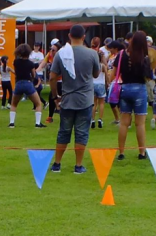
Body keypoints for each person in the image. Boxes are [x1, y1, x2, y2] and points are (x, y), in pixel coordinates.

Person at [49, 24, 100, 174]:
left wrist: (55, 97)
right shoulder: (92, 54)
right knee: (82, 132)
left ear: (69, 36)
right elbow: (96, 75)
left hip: (67, 99)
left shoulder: (61, 54)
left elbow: (52, 77)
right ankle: (78, 165)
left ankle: (57, 164)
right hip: (85, 99)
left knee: (63, 131)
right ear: (84, 37)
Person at [117, 31, 153, 161]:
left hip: (125, 88)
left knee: (124, 123)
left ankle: (121, 152)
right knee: (140, 124)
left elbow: (116, 72)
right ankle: (142, 152)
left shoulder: (122, 54)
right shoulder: (145, 57)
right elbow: (149, 76)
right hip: (139, 89)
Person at [8, 44, 44, 129]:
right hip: (28, 83)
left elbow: (16, 72)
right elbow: (33, 74)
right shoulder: (30, 63)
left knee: (14, 104)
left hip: (18, 83)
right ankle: (37, 123)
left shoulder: (16, 62)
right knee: (38, 103)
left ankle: (11, 123)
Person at [90, 38, 108, 129]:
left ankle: (92, 119)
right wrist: (107, 83)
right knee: (101, 103)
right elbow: (107, 70)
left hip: (92, 83)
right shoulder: (102, 65)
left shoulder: (92, 64)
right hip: (101, 84)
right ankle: (100, 119)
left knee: (94, 103)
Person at [105, 40, 124, 125]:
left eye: (111, 48)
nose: (110, 50)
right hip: (112, 81)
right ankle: (117, 119)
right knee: (112, 101)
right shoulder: (111, 56)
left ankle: (122, 119)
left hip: (118, 81)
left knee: (116, 101)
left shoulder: (120, 56)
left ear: (116, 48)